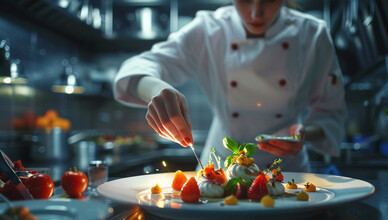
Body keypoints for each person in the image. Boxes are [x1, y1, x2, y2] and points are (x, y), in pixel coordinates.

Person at [113, 0, 347, 172]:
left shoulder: (313, 34)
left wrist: (303, 134)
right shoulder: (209, 29)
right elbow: (136, 67)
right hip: (219, 171)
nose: (256, 12)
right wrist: (156, 91)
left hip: (288, 174)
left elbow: (331, 113)